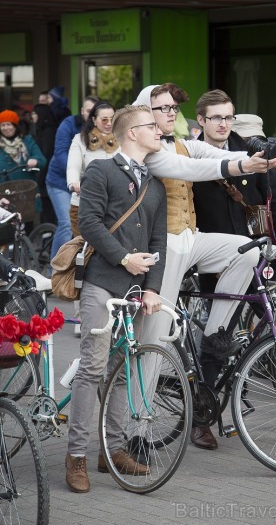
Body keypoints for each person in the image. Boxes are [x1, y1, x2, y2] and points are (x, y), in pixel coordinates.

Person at [192, 99, 276, 450]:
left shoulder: (252, 154)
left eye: (229, 117)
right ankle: (202, 416)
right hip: (216, 262)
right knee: (217, 337)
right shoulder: (191, 157)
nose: (223, 123)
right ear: (201, 120)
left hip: (258, 257)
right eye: (216, 118)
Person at [65, 104, 167, 494]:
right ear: (131, 133)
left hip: (136, 292)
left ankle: (113, 450)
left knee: (124, 371)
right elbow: (88, 222)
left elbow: (159, 240)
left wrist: (154, 288)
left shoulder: (155, 185)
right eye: (151, 127)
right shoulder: (101, 170)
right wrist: (123, 256)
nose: (159, 132)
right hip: (103, 283)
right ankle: (75, 456)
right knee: (92, 369)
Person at [46, 96, 98, 260]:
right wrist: (74, 177)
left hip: (85, 184)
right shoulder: (68, 125)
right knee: (67, 224)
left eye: (94, 112)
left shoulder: (103, 128)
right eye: (88, 111)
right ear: (82, 111)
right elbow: (60, 152)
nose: (91, 115)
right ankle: (55, 268)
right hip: (59, 182)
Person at [67, 101, 118, 238]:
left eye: (112, 119)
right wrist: (74, 183)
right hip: (84, 204)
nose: (109, 123)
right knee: (83, 249)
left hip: (115, 206)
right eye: (104, 120)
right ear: (94, 120)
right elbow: (73, 166)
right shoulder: (80, 139)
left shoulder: (123, 139)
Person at [0, 110, 47, 222]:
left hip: (25, 191)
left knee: (27, 223)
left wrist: (35, 161)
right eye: (3, 125)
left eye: (9, 124)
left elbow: (42, 160)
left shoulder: (27, 141)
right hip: (5, 192)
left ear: (15, 126)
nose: (6, 128)